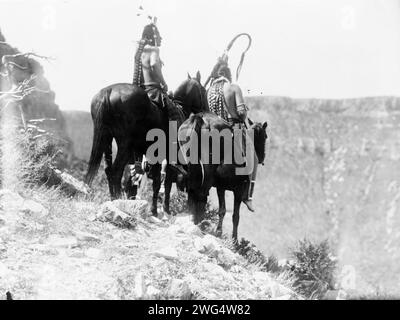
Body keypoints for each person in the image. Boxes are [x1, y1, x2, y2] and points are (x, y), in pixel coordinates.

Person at [133, 21, 184, 194]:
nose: (161, 39)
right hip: (154, 91)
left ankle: (138, 163)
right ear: (153, 36)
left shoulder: (139, 52)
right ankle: (172, 161)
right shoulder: (154, 50)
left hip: (141, 92)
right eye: (159, 36)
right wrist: (164, 82)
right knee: (176, 117)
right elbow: (155, 65)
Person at [207, 57, 257, 212]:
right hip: (233, 128)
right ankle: (248, 196)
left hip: (211, 131)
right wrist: (243, 112)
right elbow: (241, 112)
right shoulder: (233, 87)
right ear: (228, 74)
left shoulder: (209, 90)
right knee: (253, 157)